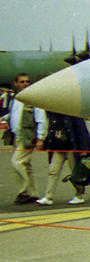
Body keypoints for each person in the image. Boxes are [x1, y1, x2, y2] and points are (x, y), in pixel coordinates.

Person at [8, 74, 47, 204]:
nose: (25, 83)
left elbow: (41, 119)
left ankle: (24, 192)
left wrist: (40, 138)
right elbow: (14, 113)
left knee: (17, 162)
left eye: (27, 81)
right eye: (22, 81)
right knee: (26, 165)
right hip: (17, 137)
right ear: (16, 83)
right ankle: (33, 193)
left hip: (28, 138)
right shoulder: (15, 99)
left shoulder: (33, 98)